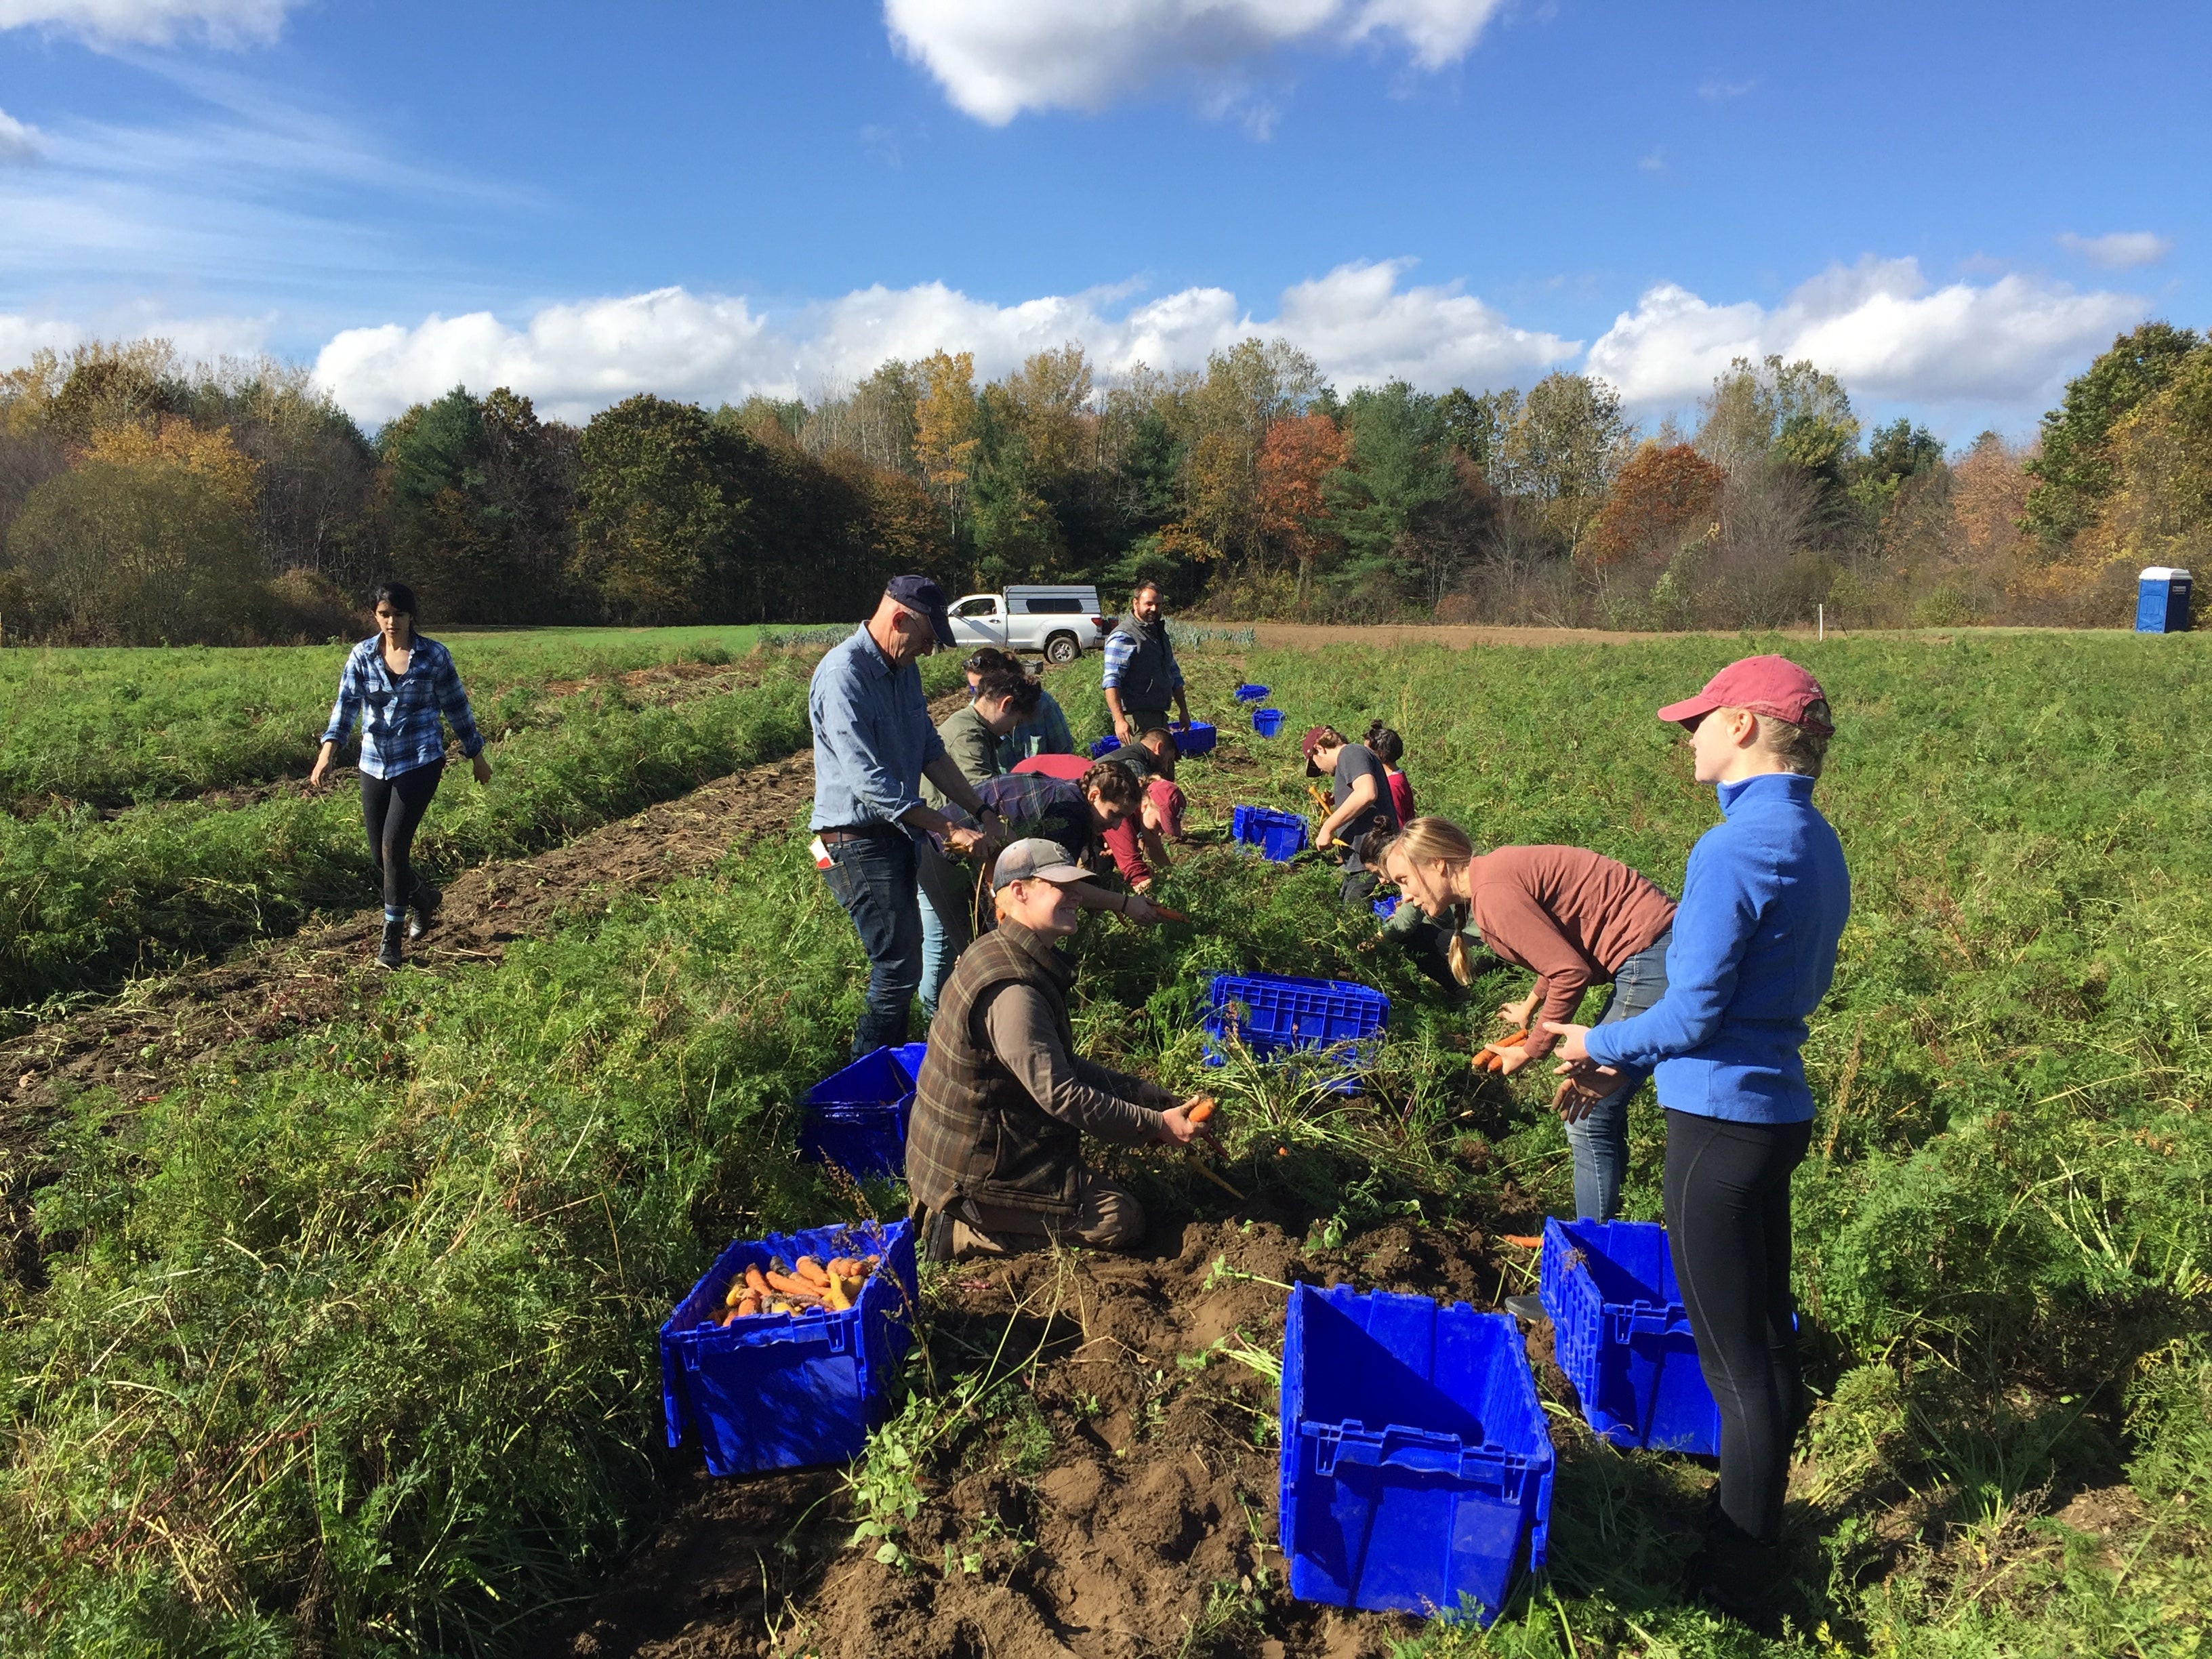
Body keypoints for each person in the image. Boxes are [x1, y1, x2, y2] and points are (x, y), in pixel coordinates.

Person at [1544, 656, 1849, 1617]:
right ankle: (1759, 1521)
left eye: (1701, 721)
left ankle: (1737, 1574)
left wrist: (1596, 1038)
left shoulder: (1729, 851)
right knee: (1766, 1336)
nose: (1690, 736)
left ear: (1749, 728)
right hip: (1776, 1111)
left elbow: (1690, 1014)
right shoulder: (1815, 838)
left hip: (1715, 1123)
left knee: (1734, 1366)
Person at [906, 838, 1217, 1261]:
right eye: (1060, 886)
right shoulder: (1013, 989)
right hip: (971, 1174)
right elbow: (1061, 1095)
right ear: (1019, 892)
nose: (1075, 895)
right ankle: (961, 1235)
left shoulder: (996, 950)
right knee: (1121, 1219)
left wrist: (1133, 1091)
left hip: (974, 1151)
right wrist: (1156, 1126)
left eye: (1075, 884)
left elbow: (1055, 1066)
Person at [1379, 818, 1677, 1223]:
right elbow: (1560, 943)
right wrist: (1530, 1006)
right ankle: (1608, 1222)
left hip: (1648, 954)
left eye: (1403, 880)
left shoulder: (1492, 896)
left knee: (1588, 1115)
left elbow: (1570, 973)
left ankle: (1590, 1244)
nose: (1405, 896)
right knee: (1601, 1108)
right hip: (1652, 947)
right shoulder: (1492, 878)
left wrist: (1531, 1050)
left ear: (1438, 864)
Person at [808, 576, 1008, 1059]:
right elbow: (869, 781)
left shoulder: (904, 673)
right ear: (899, 619)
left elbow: (931, 753)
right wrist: (946, 827)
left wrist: (979, 810)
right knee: (896, 966)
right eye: (925, 641)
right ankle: (868, 1079)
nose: (927, 651)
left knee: (906, 961)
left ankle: (895, 1064)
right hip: (852, 839)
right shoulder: (844, 676)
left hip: (896, 833)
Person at [310, 581, 491, 970]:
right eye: (384, 614)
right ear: (376, 616)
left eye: (399, 614)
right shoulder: (361, 655)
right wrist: (328, 752)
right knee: (380, 855)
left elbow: (456, 705)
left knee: (394, 846)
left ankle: (391, 941)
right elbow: (346, 706)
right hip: (374, 762)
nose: (392, 622)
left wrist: (475, 754)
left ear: (412, 616)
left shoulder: (434, 656)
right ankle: (423, 897)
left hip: (421, 760)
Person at [943, 765, 1166, 926]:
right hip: (945, 848)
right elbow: (1057, 884)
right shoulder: (1069, 815)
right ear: (1094, 795)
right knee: (967, 944)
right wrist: (1125, 904)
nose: (1116, 826)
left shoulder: (1073, 794)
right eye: (1114, 815)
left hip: (979, 856)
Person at [1302, 725, 1402, 905]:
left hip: (1372, 859)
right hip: (1360, 860)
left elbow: (1367, 793)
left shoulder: (1351, 753)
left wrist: (1328, 827)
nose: (1321, 770)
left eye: (1315, 763)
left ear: (1319, 748)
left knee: (1355, 915)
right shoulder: (1350, 758)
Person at [1101, 580, 1189, 744]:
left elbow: (1174, 674)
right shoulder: (1124, 636)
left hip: (1159, 716)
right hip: (1136, 721)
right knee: (1139, 767)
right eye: (1148, 604)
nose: (1154, 609)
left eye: (1158, 604)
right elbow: (1112, 680)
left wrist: (1183, 710)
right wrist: (1119, 720)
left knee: (1161, 768)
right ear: (1135, 603)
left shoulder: (1158, 635)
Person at [962, 646, 1074, 769]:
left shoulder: (1042, 704)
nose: (980, 695)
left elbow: (1064, 754)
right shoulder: (974, 722)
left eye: (984, 687)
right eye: (974, 689)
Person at [1366, 721, 1417, 825]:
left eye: (1367, 752)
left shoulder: (1392, 785)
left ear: (1380, 754)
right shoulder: (1391, 777)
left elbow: (1397, 821)